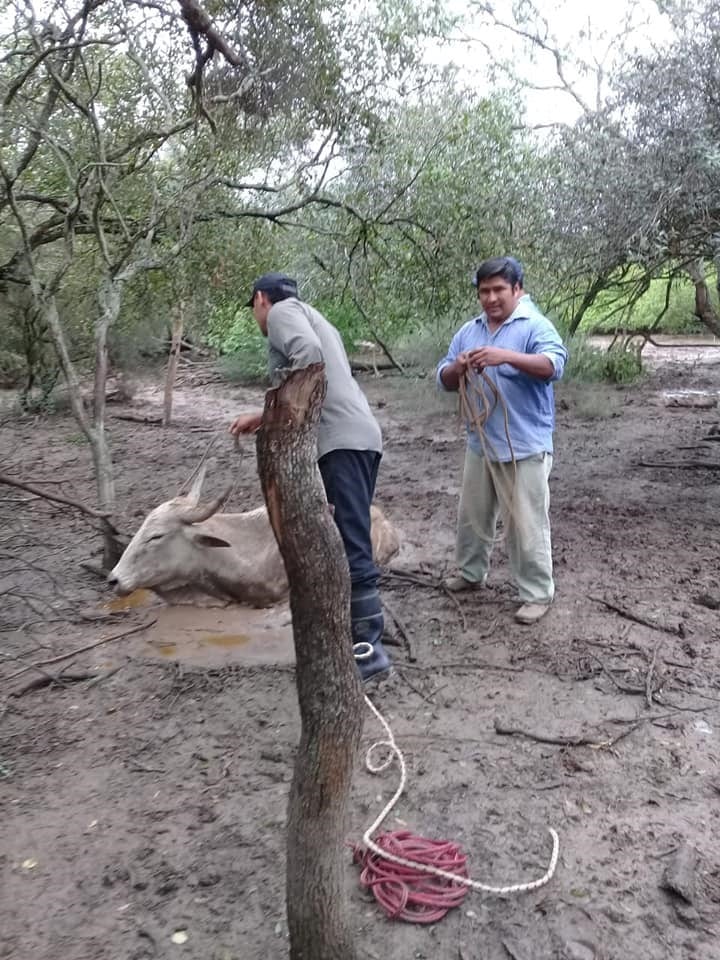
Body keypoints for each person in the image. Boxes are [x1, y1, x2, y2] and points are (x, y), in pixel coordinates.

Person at [229, 272, 392, 680]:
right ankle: (346, 639)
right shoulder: (313, 314)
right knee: (339, 537)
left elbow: (308, 356)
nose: (256, 316)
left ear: (261, 299)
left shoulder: (283, 313)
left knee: (351, 542)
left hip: (340, 443)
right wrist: (266, 417)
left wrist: (274, 411)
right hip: (358, 438)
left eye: (252, 308)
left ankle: (368, 653)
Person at [437, 256, 568, 625]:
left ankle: (537, 593)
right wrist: (458, 368)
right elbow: (443, 377)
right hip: (481, 442)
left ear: (517, 289)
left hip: (524, 445)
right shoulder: (469, 331)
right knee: (472, 516)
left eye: (498, 290)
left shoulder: (535, 325)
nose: (491, 298)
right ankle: (470, 573)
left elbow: (554, 365)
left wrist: (504, 357)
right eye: (484, 291)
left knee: (526, 523)